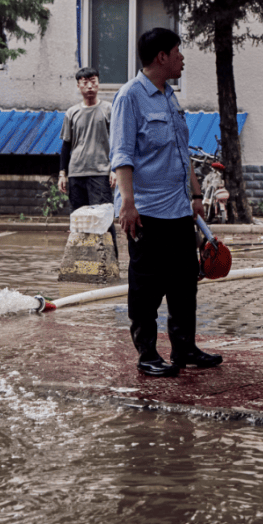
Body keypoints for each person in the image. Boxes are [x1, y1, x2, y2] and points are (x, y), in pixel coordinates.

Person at [110, 28, 223, 378]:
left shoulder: (169, 96)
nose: (182, 58)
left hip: (178, 210)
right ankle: (147, 354)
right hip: (146, 211)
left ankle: (184, 348)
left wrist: (195, 195)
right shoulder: (130, 97)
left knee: (184, 282)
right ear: (161, 56)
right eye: (177, 51)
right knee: (146, 287)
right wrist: (128, 204)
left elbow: (181, 152)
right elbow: (122, 155)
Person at [59, 66, 117, 253]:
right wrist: (62, 173)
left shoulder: (109, 109)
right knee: (79, 222)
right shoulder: (71, 113)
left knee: (104, 220)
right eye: (85, 82)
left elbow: (118, 142)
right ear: (78, 86)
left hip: (101, 173)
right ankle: (82, 260)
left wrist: (114, 169)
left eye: (93, 81)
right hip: (76, 173)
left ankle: (110, 260)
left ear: (99, 84)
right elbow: (66, 145)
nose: (89, 86)